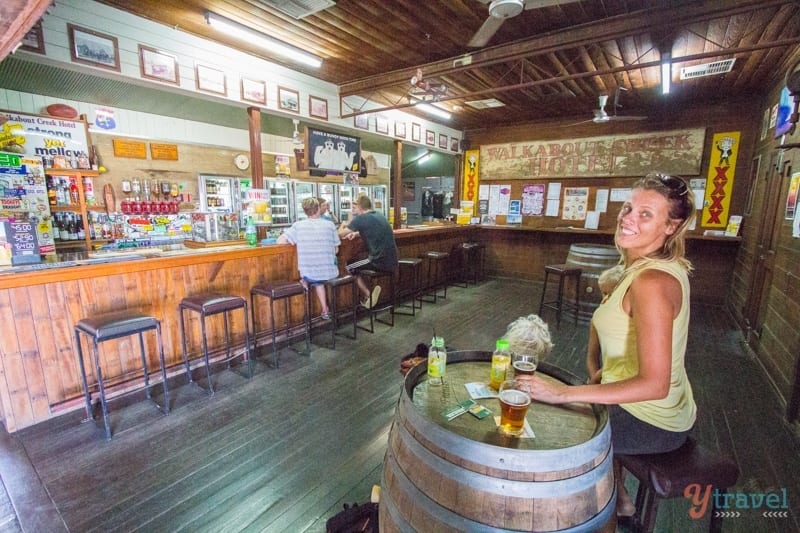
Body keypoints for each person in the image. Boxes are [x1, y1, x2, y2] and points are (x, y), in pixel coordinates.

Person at [525, 172, 697, 517]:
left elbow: (654, 383)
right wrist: (603, 374)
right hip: (663, 409)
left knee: (548, 432)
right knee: (568, 405)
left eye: (646, 214)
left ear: (671, 227)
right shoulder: (649, 267)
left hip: (653, 420)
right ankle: (619, 499)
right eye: (629, 207)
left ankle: (570, 517)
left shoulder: (652, 281)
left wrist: (563, 394)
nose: (628, 217)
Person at [277, 197, 340, 320]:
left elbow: (280, 241)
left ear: (305, 211)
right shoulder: (329, 224)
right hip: (331, 273)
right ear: (318, 209)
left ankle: (305, 282)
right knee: (319, 279)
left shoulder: (298, 226)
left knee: (314, 277)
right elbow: (336, 250)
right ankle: (325, 310)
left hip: (310, 274)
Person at [339, 194, 398, 308]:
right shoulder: (379, 215)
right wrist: (355, 233)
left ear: (360, 207)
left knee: (349, 266)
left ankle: (368, 295)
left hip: (379, 261)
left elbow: (339, 234)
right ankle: (370, 296)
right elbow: (372, 229)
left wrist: (343, 224)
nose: (354, 210)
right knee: (355, 263)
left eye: (355, 207)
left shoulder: (361, 218)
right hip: (392, 260)